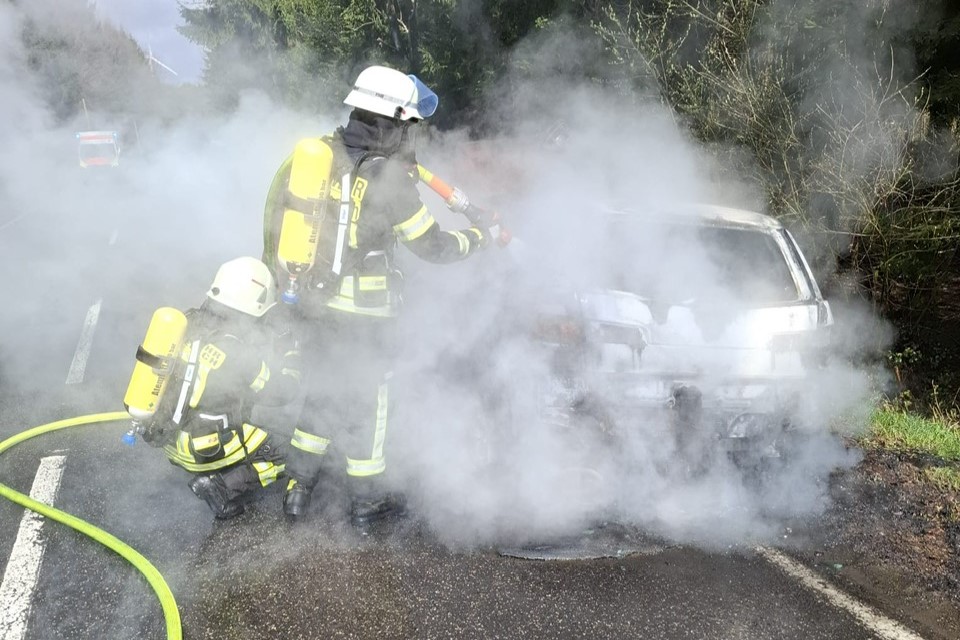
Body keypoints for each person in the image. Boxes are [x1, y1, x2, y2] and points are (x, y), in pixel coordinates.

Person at [261, 65, 495, 524]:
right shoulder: (388, 179)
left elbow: (273, 219)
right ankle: (368, 503)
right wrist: (477, 238)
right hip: (365, 316)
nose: (412, 137)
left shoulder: (315, 158)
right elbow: (433, 247)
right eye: (410, 126)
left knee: (323, 391)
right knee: (369, 406)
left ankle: (297, 490)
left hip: (313, 304)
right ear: (394, 121)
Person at [137, 257, 301, 519]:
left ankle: (216, 473)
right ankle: (221, 486)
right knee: (296, 454)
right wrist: (291, 358)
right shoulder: (235, 351)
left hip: (169, 440)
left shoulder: (190, 322)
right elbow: (281, 393)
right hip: (206, 449)